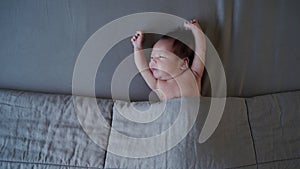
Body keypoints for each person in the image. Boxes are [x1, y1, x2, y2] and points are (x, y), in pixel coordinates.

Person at [131, 19, 206, 101]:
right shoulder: (158, 84)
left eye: (160, 57)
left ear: (183, 63)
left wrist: (196, 31)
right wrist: (137, 47)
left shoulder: (194, 75)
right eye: (152, 57)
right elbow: (143, 68)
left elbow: (201, 51)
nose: (153, 61)